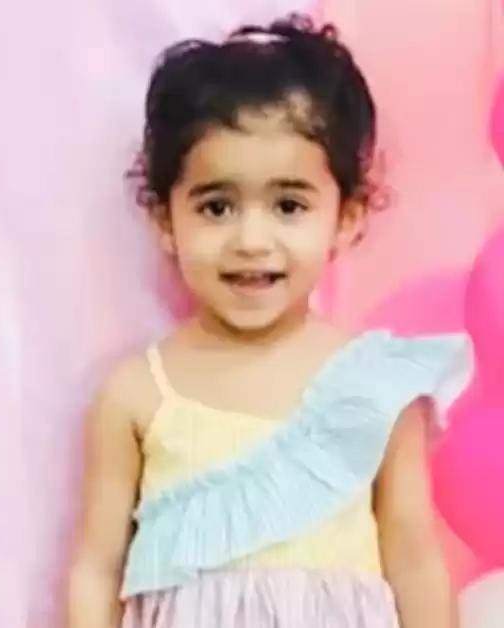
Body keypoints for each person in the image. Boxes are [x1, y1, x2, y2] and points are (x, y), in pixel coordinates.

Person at [66, 14, 470, 628]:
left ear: (347, 216)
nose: (251, 240)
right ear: (165, 219)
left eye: (288, 205)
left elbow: (413, 557)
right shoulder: (138, 394)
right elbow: (97, 568)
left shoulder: (375, 385)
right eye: (217, 207)